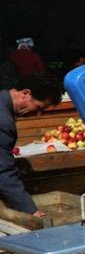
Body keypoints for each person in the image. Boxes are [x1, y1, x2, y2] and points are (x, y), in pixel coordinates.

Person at [1, 74, 64, 216]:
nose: (37, 115)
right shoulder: (3, 122)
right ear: (25, 94)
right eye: (38, 108)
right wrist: (31, 210)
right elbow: (2, 171)